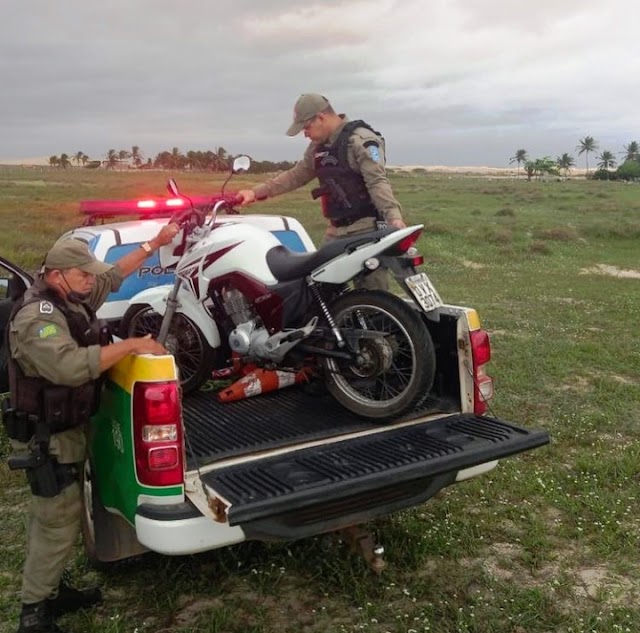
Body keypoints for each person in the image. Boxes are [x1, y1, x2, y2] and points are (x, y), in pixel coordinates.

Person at [4, 223, 179, 633]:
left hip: (71, 424)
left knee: (59, 516)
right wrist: (132, 345)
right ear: (56, 274)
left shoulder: (73, 294)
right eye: (83, 274)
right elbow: (66, 366)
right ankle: (34, 613)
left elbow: (114, 275)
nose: (90, 281)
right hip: (50, 435)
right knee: (56, 517)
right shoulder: (37, 317)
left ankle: (51, 588)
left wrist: (156, 244)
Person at [236, 93, 406, 290]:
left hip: (366, 229)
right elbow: (296, 175)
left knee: (373, 297)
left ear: (321, 117)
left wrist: (394, 217)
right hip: (336, 231)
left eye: (306, 127)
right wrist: (255, 192)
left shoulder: (361, 140)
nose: (305, 133)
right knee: (317, 288)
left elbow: (377, 181)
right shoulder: (318, 147)